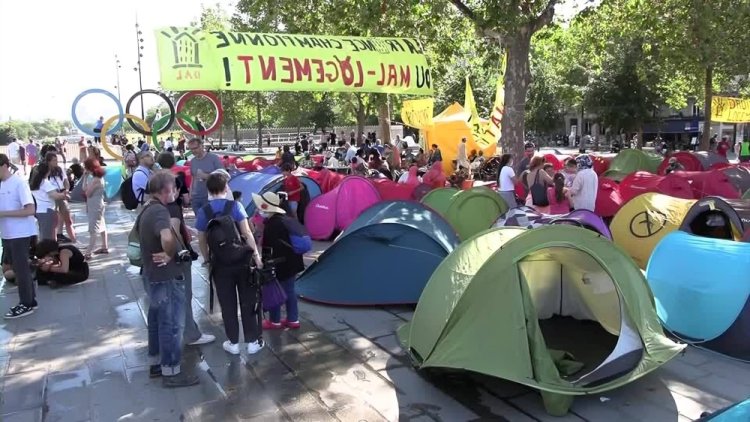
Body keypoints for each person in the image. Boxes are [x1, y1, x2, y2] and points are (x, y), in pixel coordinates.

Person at [139, 171, 199, 387]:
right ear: (166, 190)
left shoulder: (147, 208)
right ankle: (171, 371)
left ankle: (156, 363)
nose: (177, 190)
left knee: (156, 321)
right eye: (174, 187)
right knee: (172, 324)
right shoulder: (160, 213)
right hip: (166, 277)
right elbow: (166, 236)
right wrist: (170, 253)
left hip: (153, 275)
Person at [196, 173, 264, 355]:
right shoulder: (235, 206)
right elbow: (247, 233)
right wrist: (256, 256)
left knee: (227, 303)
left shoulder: (204, 211)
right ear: (226, 188)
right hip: (242, 260)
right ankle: (251, 342)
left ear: (208, 190)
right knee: (248, 300)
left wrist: (207, 259)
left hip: (220, 264)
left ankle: (233, 342)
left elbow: (201, 239)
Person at [155, 152, 216, 347]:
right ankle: (191, 334)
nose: (177, 192)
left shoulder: (153, 205)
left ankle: (173, 331)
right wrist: (178, 252)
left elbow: (170, 227)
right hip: (176, 259)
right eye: (175, 189)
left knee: (170, 297)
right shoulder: (172, 207)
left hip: (160, 261)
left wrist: (183, 227)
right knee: (184, 294)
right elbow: (171, 233)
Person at [253, 192, 305, 330]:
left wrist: (264, 263)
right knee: (290, 291)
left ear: (266, 207)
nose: (259, 210)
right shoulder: (287, 219)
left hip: (278, 264)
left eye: (261, 207)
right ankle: (293, 319)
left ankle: (274, 321)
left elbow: (268, 248)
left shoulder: (272, 224)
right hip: (294, 262)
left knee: (274, 291)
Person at [0, 154, 38, 318]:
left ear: (4, 165)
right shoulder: (1, 185)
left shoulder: (18, 183)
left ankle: (26, 303)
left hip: (21, 233)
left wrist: (4, 214)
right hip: (7, 234)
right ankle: (31, 300)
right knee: (16, 268)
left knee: (21, 269)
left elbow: (30, 210)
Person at [30, 160, 68, 240]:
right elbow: (54, 195)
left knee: (43, 232)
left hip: (39, 210)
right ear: (47, 172)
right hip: (47, 210)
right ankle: (46, 250)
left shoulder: (35, 182)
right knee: (47, 235)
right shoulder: (45, 183)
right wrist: (64, 195)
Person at [46, 152, 76, 243]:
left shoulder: (59, 169)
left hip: (61, 192)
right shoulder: (46, 171)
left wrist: (66, 189)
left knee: (68, 218)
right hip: (52, 194)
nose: (56, 162)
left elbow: (66, 181)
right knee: (54, 221)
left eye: (56, 160)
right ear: (48, 161)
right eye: (54, 160)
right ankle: (54, 240)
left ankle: (73, 239)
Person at [187, 137, 223, 215]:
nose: (193, 151)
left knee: (209, 222)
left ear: (202, 146)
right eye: (191, 149)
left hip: (210, 197)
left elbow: (222, 176)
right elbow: (193, 178)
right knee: (199, 222)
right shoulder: (193, 161)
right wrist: (190, 193)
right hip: (196, 198)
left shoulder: (213, 158)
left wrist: (206, 176)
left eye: (195, 148)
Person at [82, 158, 109, 258]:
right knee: (101, 225)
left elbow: (87, 193)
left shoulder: (96, 180)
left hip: (95, 206)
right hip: (96, 205)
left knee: (93, 229)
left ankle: (88, 252)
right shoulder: (95, 179)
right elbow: (84, 189)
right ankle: (104, 246)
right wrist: (85, 177)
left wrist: (87, 185)